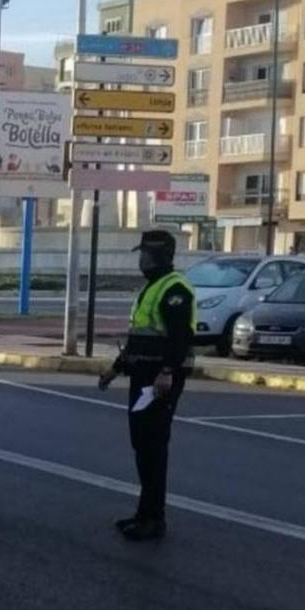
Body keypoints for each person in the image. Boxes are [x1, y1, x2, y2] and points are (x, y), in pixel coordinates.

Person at [98, 229, 196, 541]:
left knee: (153, 447)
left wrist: (167, 371)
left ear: (158, 256)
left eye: (144, 254)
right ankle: (144, 513)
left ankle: (154, 518)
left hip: (160, 381)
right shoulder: (152, 288)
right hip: (143, 378)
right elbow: (140, 338)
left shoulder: (175, 289)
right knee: (142, 445)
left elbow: (180, 338)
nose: (141, 260)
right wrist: (115, 369)